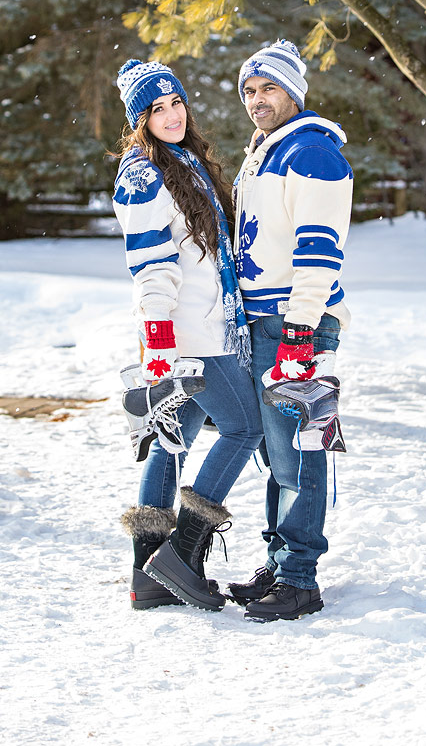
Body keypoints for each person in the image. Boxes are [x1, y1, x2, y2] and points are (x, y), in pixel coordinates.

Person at [112, 58, 263, 613]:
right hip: (191, 335)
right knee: (244, 428)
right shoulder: (143, 174)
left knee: (173, 441)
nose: (172, 115)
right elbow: (151, 265)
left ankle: (148, 577)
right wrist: (157, 341)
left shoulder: (185, 162)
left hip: (211, 325)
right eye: (157, 109)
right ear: (140, 119)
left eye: (176, 103)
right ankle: (180, 553)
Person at [228, 39, 353, 622]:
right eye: (249, 91)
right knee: (277, 454)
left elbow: (319, 249)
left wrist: (301, 329)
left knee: (300, 451)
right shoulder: (265, 152)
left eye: (268, 88)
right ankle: (280, 561)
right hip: (265, 321)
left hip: (297, 323)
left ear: (295, 93)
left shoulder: (312, 153)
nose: (258, 100)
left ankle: (300, 578)